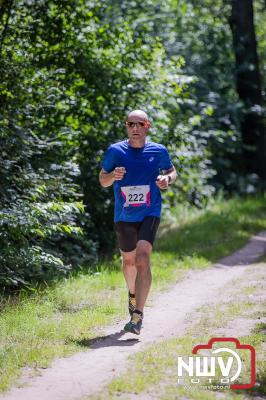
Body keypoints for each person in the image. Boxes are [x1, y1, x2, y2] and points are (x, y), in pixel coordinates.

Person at [99, 109, 176, 335]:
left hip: (150, 211)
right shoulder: (115, 151)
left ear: (147, 126)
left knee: (142, 259)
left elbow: (172, 171)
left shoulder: (158, 150)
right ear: (126, 126)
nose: (134, 128)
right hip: (124, 215)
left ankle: (138, 315)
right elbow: (102, 180)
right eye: (130, 124)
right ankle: (132, 295)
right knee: (129, 262)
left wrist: (166, 179)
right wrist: (113, 176)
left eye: (139, 124)